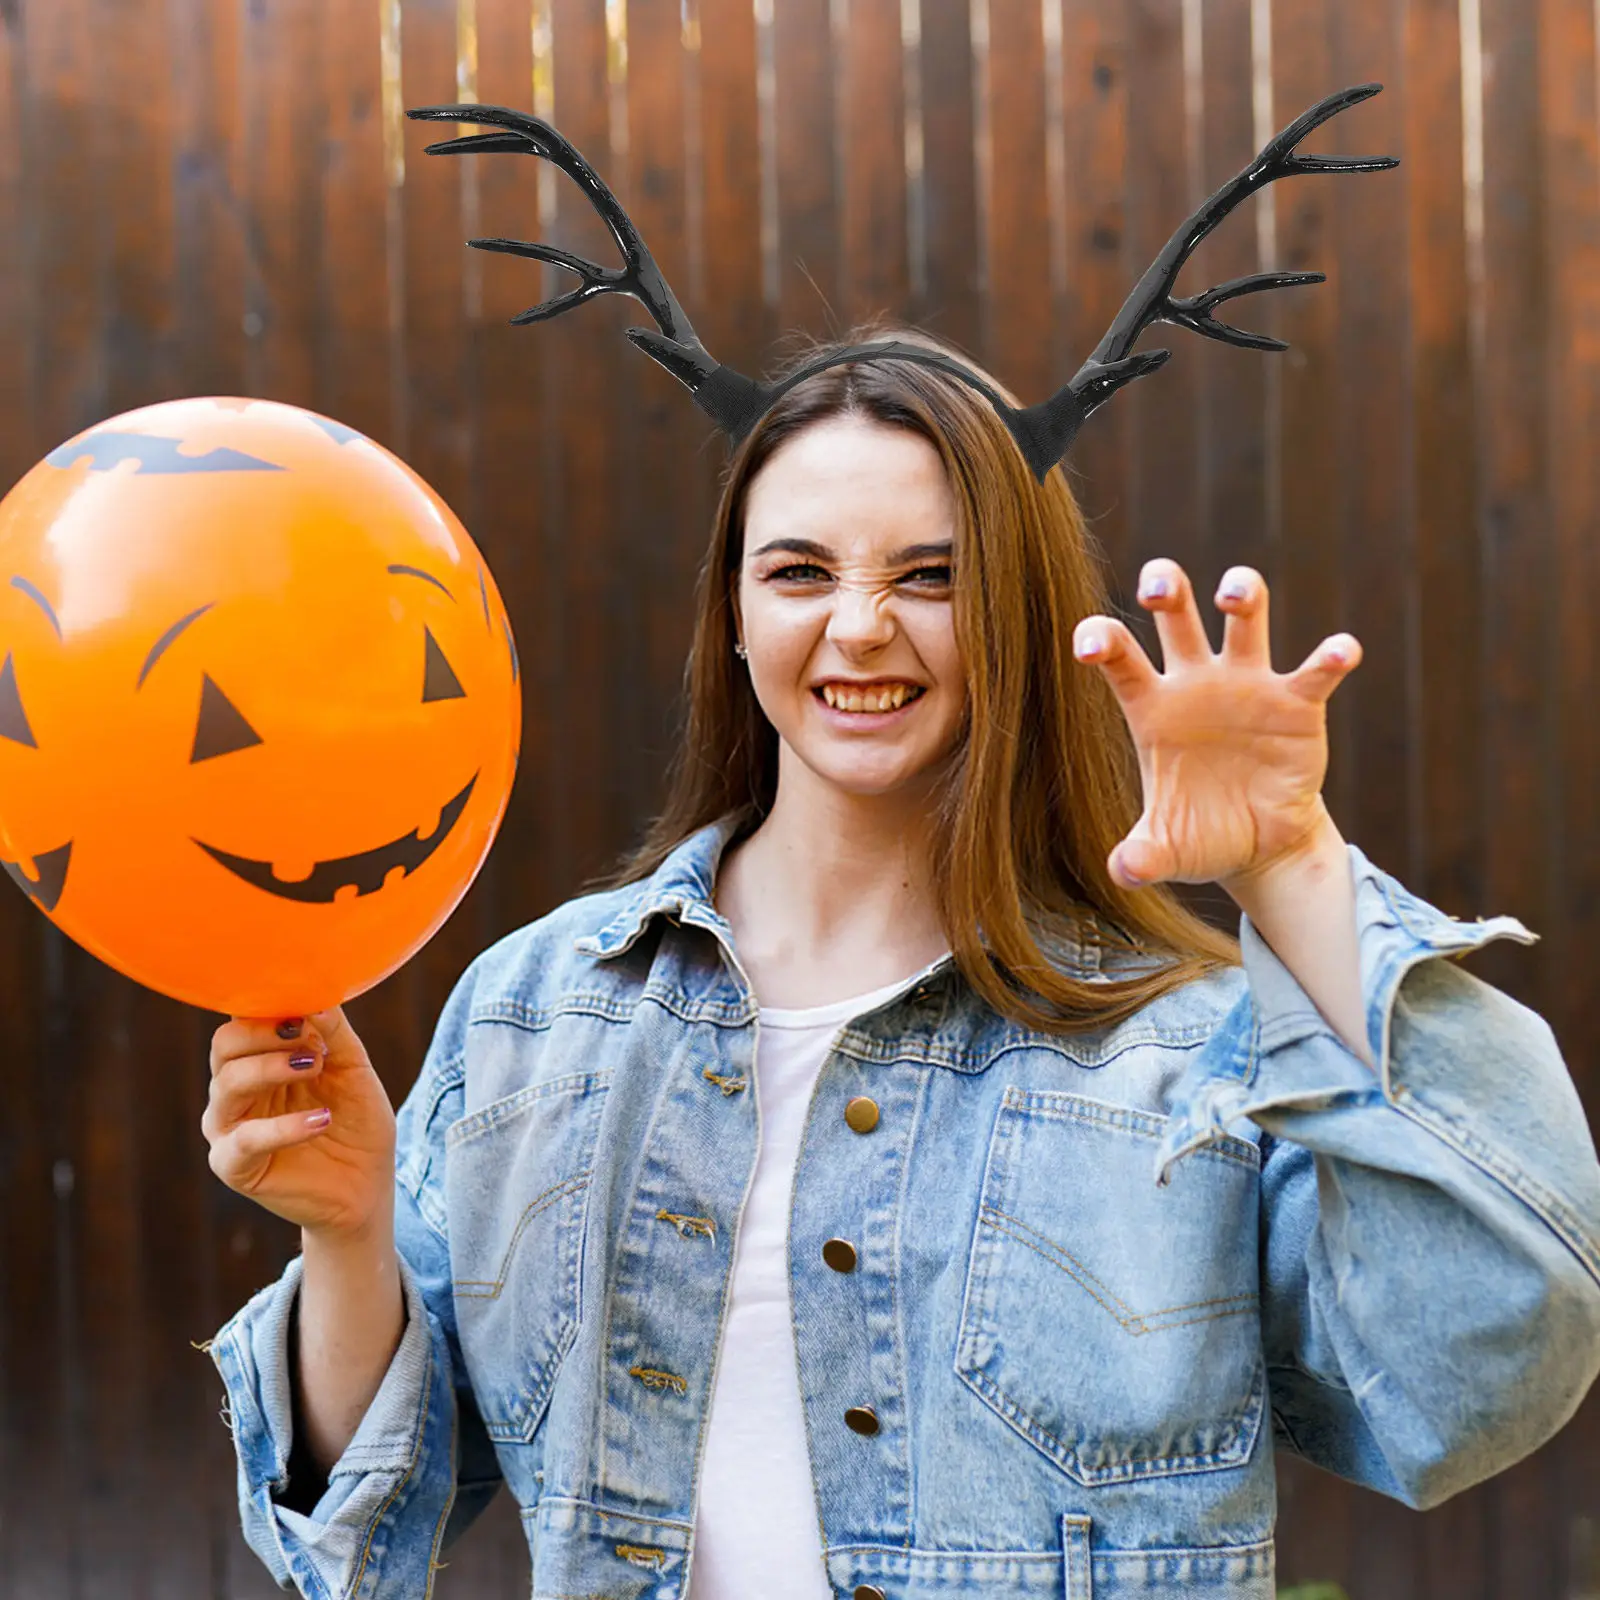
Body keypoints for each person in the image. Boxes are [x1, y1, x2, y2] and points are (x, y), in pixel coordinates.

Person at [200, 327, 1600, 1600]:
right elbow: (364, 1527)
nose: (860, 624)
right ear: (734, 611)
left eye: (932, 576)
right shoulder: (535, 1015)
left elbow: (1478, 1369)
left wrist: (1292, 863)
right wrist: (349, 1229)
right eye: (800, 571)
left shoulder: (1187, 1058)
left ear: (1019, 613)